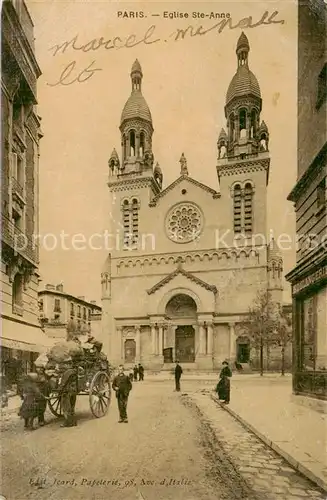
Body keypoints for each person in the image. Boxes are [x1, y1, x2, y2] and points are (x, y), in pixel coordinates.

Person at [58, 359, 78, 428]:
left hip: (67, 392)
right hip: (73, 391)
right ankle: (74, 422)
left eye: (64, 364)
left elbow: (63, 383)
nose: (63, 366)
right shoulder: (74, 371)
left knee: (66, 407)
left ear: (67, 364)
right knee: (72, 406)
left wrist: (59, 390)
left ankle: (67, 422)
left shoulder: (67, 372)